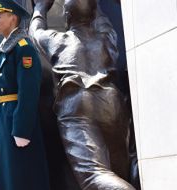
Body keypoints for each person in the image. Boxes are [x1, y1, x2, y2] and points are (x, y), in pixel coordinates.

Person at [30, 0, 134, 189]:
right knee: (120, 173)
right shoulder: (106, 36)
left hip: (77, 101)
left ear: (67, 16)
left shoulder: (57, 39)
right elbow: (100, 17)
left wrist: (40, 7)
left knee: (94, 175)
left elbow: (35, 32)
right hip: (112, 101)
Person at [0, 0, 51, 189]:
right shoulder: (5, 48)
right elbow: (0, 94)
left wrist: (22, 129)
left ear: (13, 17)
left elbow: (28, 91)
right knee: (5, 178)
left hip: (17, 123)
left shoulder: (23, 47)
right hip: (4, 122)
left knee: (20, 177)